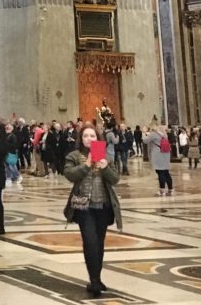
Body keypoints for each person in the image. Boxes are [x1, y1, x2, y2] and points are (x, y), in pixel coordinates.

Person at [65, 124, 121, 298]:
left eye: (92, 136)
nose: (89, 139)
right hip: (84, 207)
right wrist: (87, 164)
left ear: (98, 138)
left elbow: (115, 179)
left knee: (99, 242)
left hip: (103, 206)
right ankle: (94, 280)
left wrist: (105, 167)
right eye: (85, 136)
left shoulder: (106, 156)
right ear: (81, 139)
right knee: (90, 241)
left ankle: (96, 277)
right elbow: (70, 175)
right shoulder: (74, 156)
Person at [145, 125, 173, 196]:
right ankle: (170, 189)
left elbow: (145, 141)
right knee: (166, 172)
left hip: (158, 154)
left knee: (160, 172)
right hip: (166, 153)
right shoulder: (164, 134)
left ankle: (162, 191)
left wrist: (144, 133)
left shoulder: (154, 134)